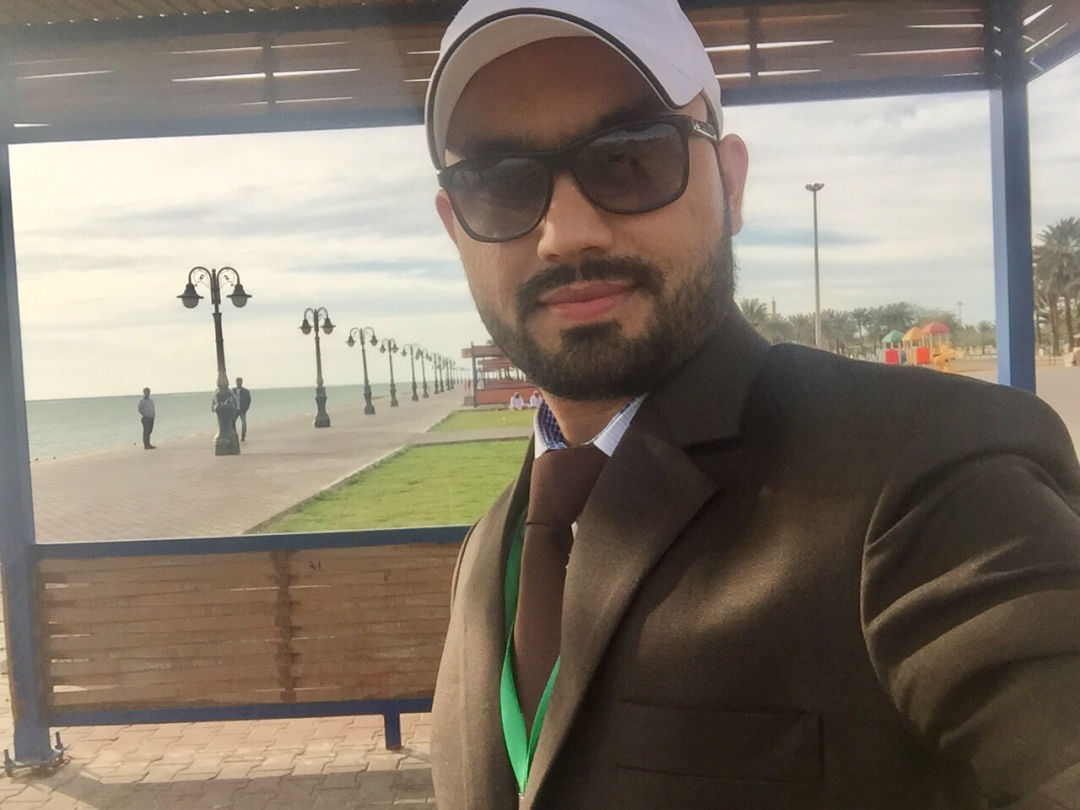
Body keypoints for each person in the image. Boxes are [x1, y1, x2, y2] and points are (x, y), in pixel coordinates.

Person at [423, 1, 1080, 808]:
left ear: (730, 184)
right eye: (501, 183)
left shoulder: (921, 476)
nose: (565, 233)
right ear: (456, 227)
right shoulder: (489, 550)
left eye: (628, 159)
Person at [233, 376, 251, 441]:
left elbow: (248, 400)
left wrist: (246, 408)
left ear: (242, 382)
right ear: (236, 382)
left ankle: (243, 436)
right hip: (234, 410)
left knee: (244, 423)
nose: (239, 383)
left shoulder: (245, 391)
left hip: (242, 410)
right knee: (232, 423)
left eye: (240, 381)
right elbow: (230, 399)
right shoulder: (232, 391)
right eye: (237, 381)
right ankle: (234, 435)